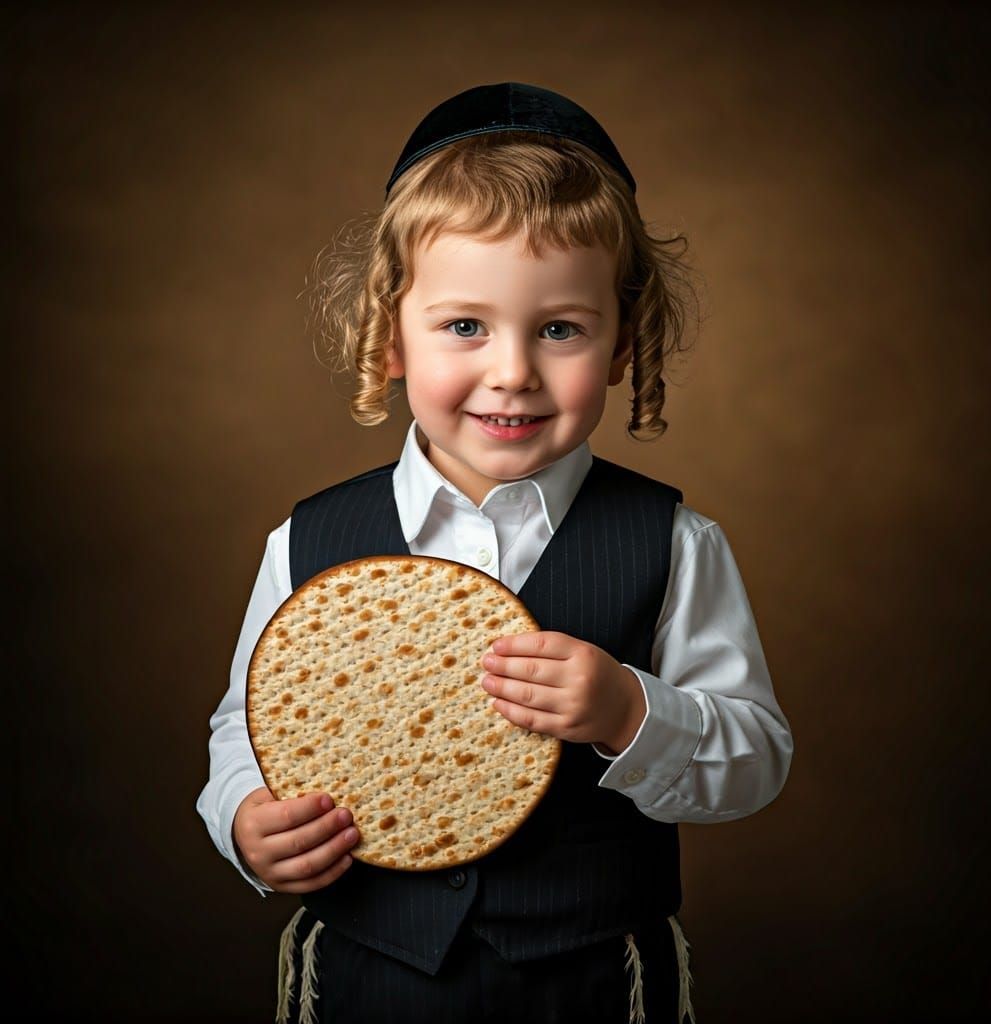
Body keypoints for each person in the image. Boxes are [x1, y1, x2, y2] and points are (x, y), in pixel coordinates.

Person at [197, 82, 793, 1024]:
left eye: (560, 329)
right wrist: (241, 819)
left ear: (623, 342)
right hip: (367, 979)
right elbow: (247, 725)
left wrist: (631, 710)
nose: (511, 369)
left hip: (592, 985)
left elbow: (756, 756)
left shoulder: (675, 544)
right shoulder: (307, 542)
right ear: (390, 330)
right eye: (464, 326)